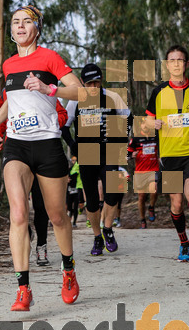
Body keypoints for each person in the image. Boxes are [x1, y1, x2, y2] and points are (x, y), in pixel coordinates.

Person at [0, 4, 82, 311]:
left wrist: (51, 88)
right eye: (15, 22)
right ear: (10, 31)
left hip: (48, 144)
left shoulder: (49, 58)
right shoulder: (8, 65)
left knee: (58, 215)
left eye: (27, 21)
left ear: (37, 28)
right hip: (17, 145)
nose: (20, 26)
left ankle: (68, 270)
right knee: (18, 214)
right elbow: (9, 102)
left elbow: (82, 92)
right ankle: (23, 289)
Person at [143, 45, 189, 262]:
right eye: (172, 60)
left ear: (186, 64)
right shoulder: (158, 92)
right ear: (167, 65)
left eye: (180, 60)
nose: (176, 64)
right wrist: (151, 123)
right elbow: (147, 118)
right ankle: (184, 243)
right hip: (168, 155)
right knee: (175, 204)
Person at [0, 90, 69, 266]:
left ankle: (41, 245)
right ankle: (25, 234)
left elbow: (62, 114)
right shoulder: (8, 90)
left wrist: (47, 125)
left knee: (42, 207)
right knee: (19, 209)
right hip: (18, 153)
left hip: (43, 154)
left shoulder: (41, 87)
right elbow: (1, 113)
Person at [62, 63, 131, 256]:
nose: (93, 87)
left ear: (102, 81)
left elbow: (128, 118)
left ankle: (107, 228)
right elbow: (64, 126)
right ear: (83, 83)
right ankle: (97, 237)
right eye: (90, 83)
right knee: (91, 201)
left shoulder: (112, 97)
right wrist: (74, 147)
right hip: (87, 153)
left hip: (109, 150)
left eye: (97, 83)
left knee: (113, 193)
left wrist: (122, 140)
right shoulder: (76, 100)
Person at [127, 133, 159, 228]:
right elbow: (127, 154)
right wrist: (132, 155)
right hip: (140, 171)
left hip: (153, 169)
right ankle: (142, 220)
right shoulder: (135, 139)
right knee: (141, 197)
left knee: (154, 189)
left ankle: (151, 207)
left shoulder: (156, 136)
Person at [67, 155, 83, 227]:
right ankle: (71, 212)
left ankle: (74, 222)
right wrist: (66, 180)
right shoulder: (69, 170)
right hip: (69, 190)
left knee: (76, 206)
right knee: (69, 207)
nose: (73, 161)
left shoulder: (79, 168)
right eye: (72, 160)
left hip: (77, 189)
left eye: (75, 160)